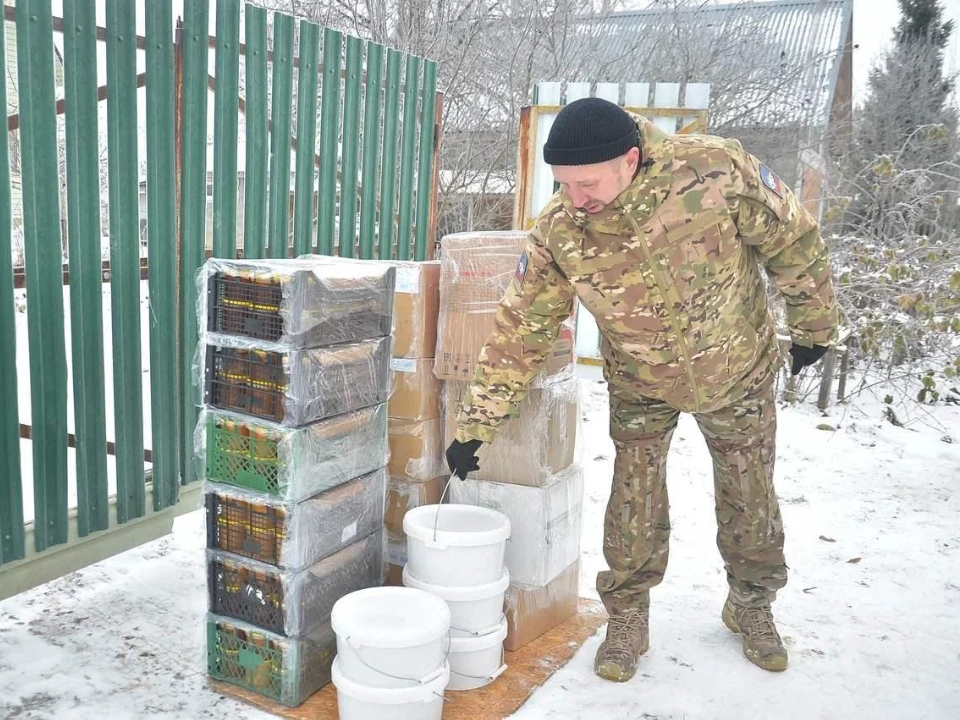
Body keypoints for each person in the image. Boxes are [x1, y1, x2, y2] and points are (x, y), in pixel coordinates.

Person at [444, 97, 838, 681]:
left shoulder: (713, 171)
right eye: (564, 185)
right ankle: (628, 613)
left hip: (737, 369)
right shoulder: (561, 230)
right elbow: (521, 328)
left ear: (630, 159)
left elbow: (792, 238)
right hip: (640, 379)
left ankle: (752, 604)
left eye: (587, 183)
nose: (575, 199)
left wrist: (814, 325)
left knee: (750, 494)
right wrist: (477, 425)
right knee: (634, 499)